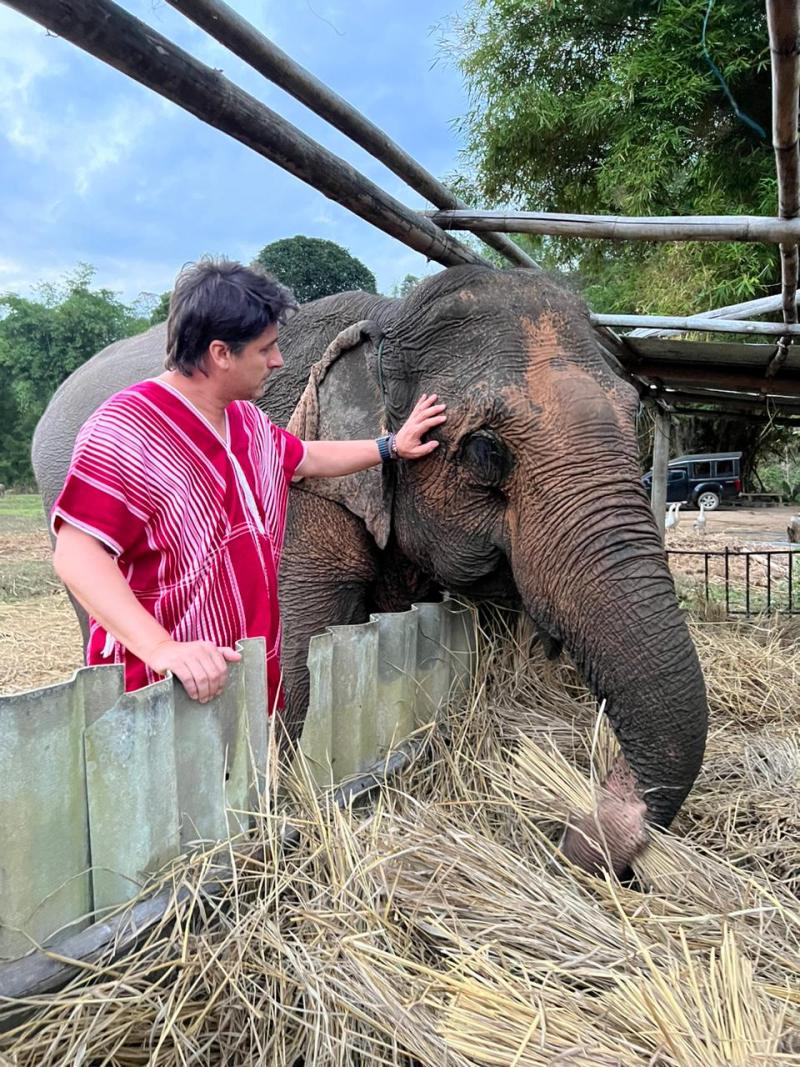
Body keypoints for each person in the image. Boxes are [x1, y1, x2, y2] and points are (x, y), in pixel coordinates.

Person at [52, 258, 446, 713]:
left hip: (240, 676)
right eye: (265, 349)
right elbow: (77, 554)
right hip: (162, 693)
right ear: (221, 353)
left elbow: (306, 456)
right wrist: (162, 648)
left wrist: (391, 445)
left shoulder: (246, 422)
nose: (277, 361)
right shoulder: (124, 429)